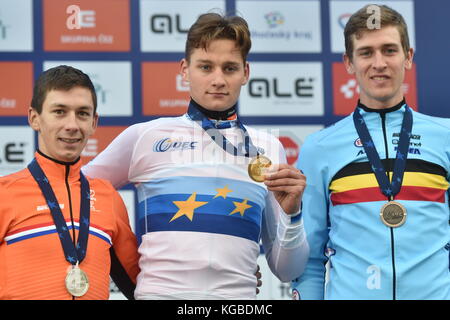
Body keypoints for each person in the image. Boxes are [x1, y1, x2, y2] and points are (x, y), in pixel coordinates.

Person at [83, 12, 309, 299]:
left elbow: (289, 270)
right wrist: (122, 263)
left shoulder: (269, 148)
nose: (218, 80)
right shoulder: (145, 136)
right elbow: (77, 195)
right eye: (205, 67)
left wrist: (293, 214)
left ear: (246, 73)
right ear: (184, 70)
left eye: (229, 68)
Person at [292, 4, 450, 300]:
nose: (379, 63)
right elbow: (310, 262)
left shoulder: (446, 137)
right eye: (366, 52)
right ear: (349, 63)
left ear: (409, 57)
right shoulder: (319, 148)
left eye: (389, 50)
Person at [0, 65, 140, 300]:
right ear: (34, 118)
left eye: (82, 113)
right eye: (59, 111)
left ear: (94, 123)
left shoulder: (108, 198)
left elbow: (141, 286)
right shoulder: (5, 193)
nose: (72, 125)